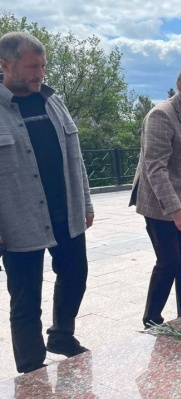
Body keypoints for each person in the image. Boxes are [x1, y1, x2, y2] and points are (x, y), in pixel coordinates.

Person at [0, 32, 94, 373]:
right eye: (31, 67)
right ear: (5, 65)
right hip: (18, 220)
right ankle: (31, 367)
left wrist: (86, 203)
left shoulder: (53, 101)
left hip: (66, 212)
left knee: (76, 275)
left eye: (42, 66)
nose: (39, 73)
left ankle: (61, 336)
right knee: (25, 298)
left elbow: (76, 156)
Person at [129, 66, 181, 327]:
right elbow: (155, 168)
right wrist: (177, 212)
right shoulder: (160, 116)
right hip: (158, 201)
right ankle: (151, 319)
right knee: (169, 261)